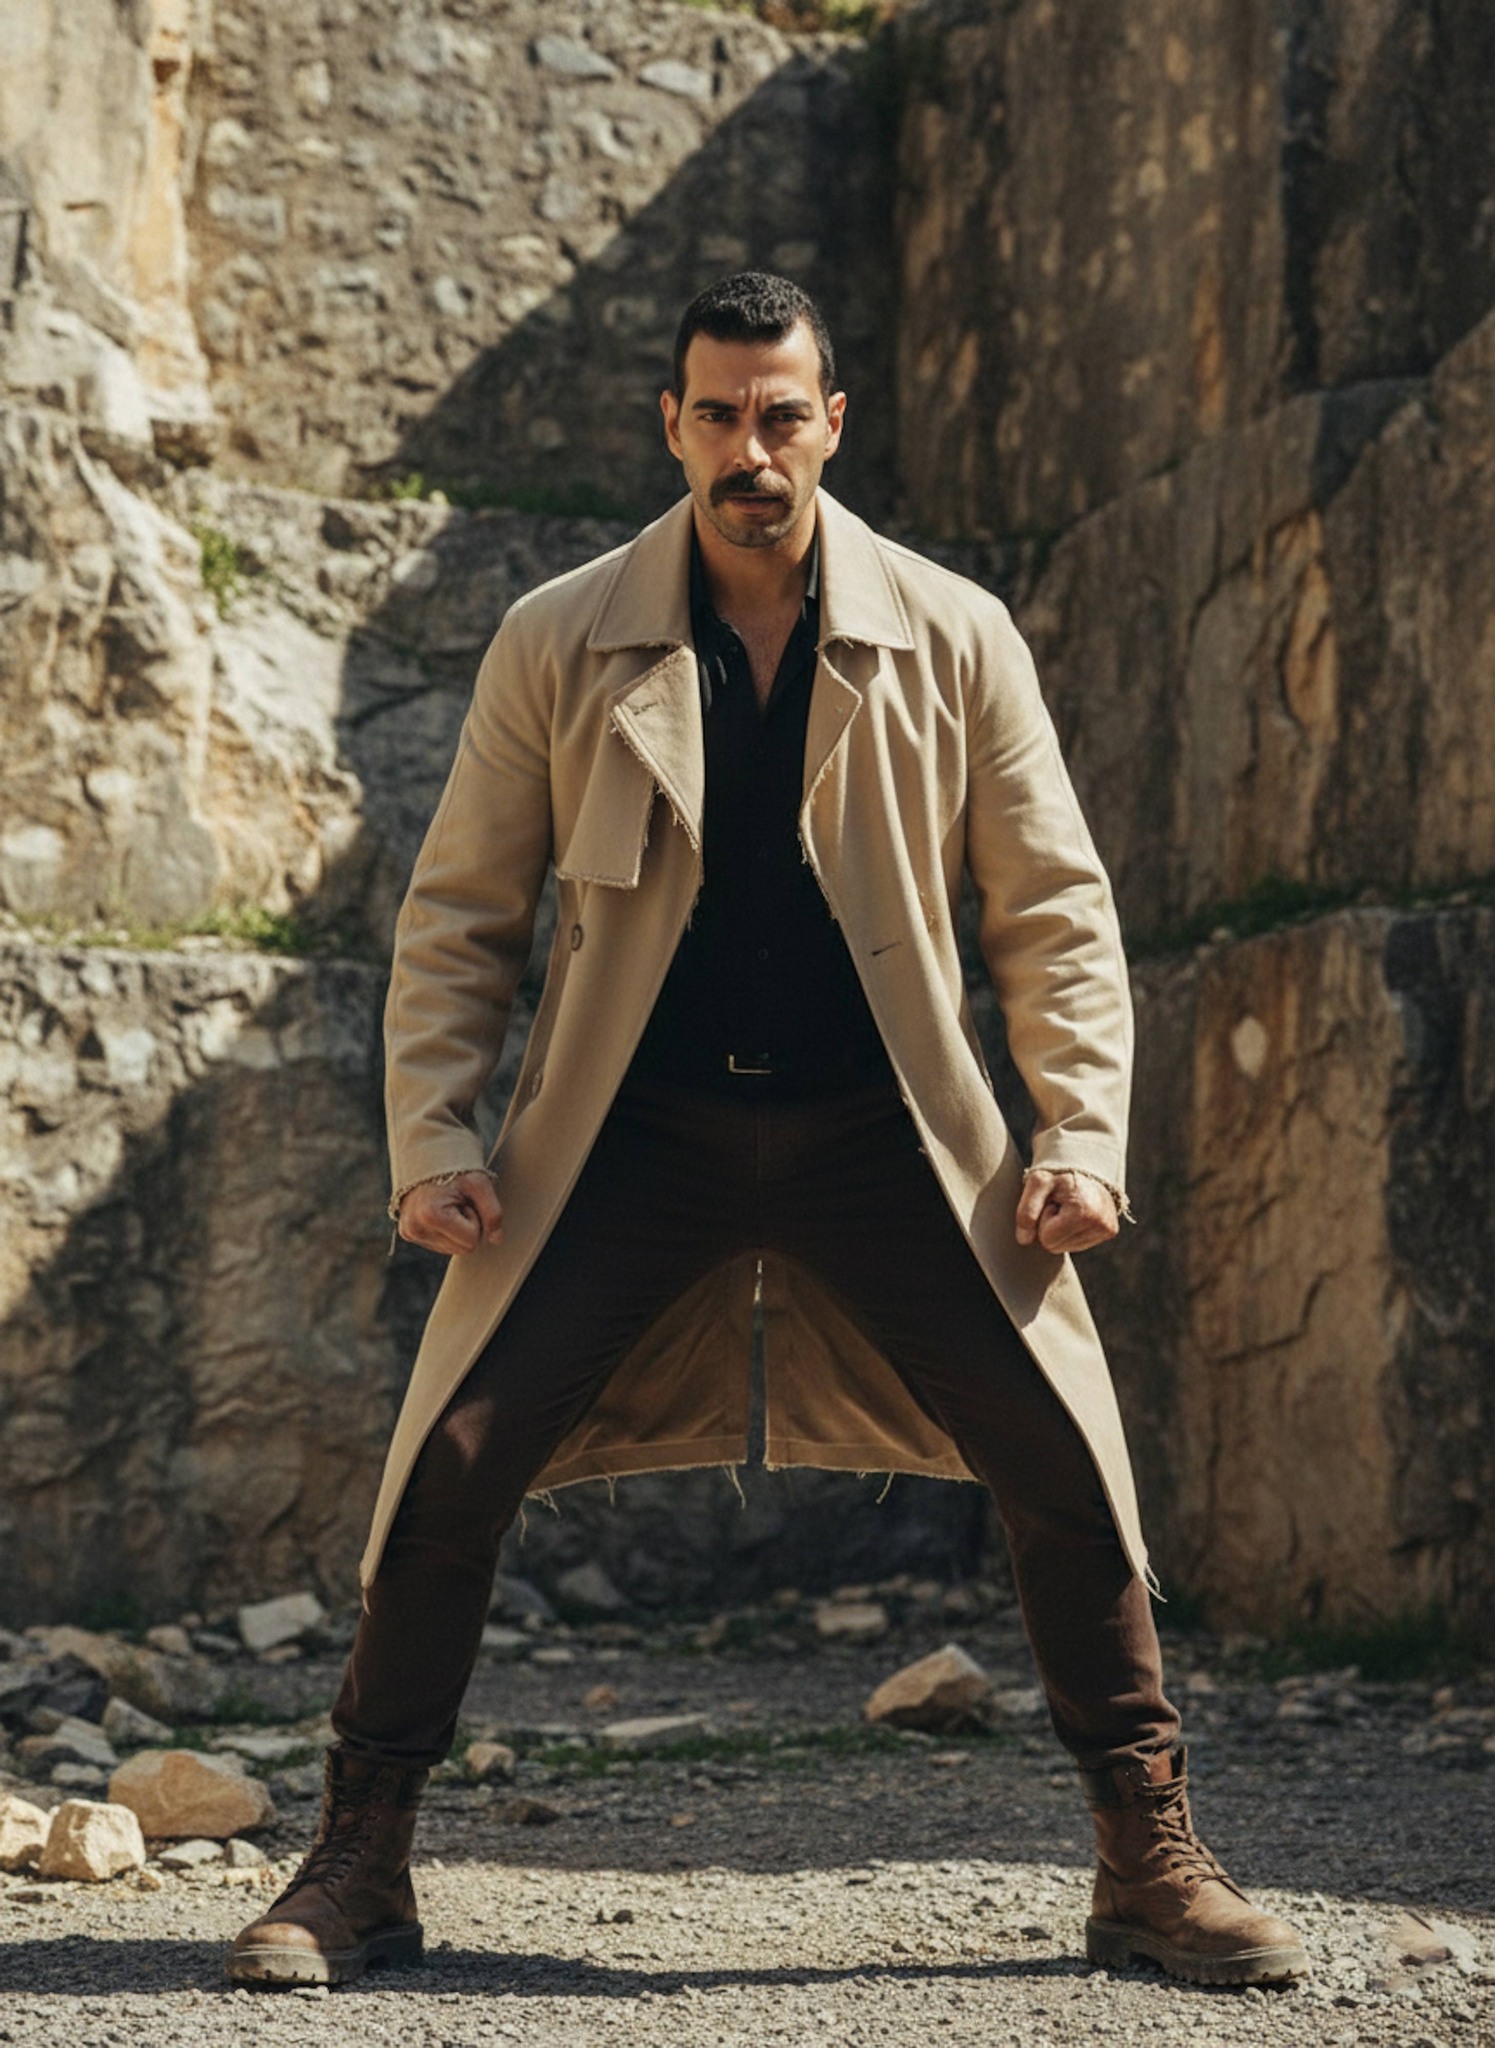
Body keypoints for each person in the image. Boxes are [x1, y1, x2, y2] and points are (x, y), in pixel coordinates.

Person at [226, 273, 1307, 1992]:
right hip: (625, 1132)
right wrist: (435, 1137)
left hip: (889, 1132)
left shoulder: (955, 632)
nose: (751, 448)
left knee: (1061, 1458)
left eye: (780, 413)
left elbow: (1053, 910)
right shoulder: (558, 636)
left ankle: (1148, 1861)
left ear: (833, 424)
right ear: (673, 425)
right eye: (718, 414)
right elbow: (457, 918)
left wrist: (1075, 1129)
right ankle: (359, 1861)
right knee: (454, 1463)